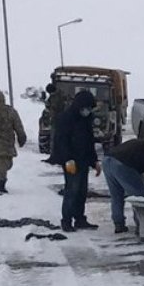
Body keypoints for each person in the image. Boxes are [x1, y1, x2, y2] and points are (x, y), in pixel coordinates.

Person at [51, 89, 101, 232]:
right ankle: (66, 221)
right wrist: (68, 159)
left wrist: (95, 161)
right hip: (71, 162)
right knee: (71, 191)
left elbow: (89, 142)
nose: (88, 111)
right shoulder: (65, 118)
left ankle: (80, 219)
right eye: (87, 108)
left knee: (82, 192)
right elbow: (61, 141)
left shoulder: (86, 119)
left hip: (84, 160)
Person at [102, 138, 144, 233]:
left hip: (107, 161)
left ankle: (119, 224)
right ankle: (143, 225)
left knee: (116, 196)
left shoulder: (142, 145)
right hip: (121, 164)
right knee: (140, 197)